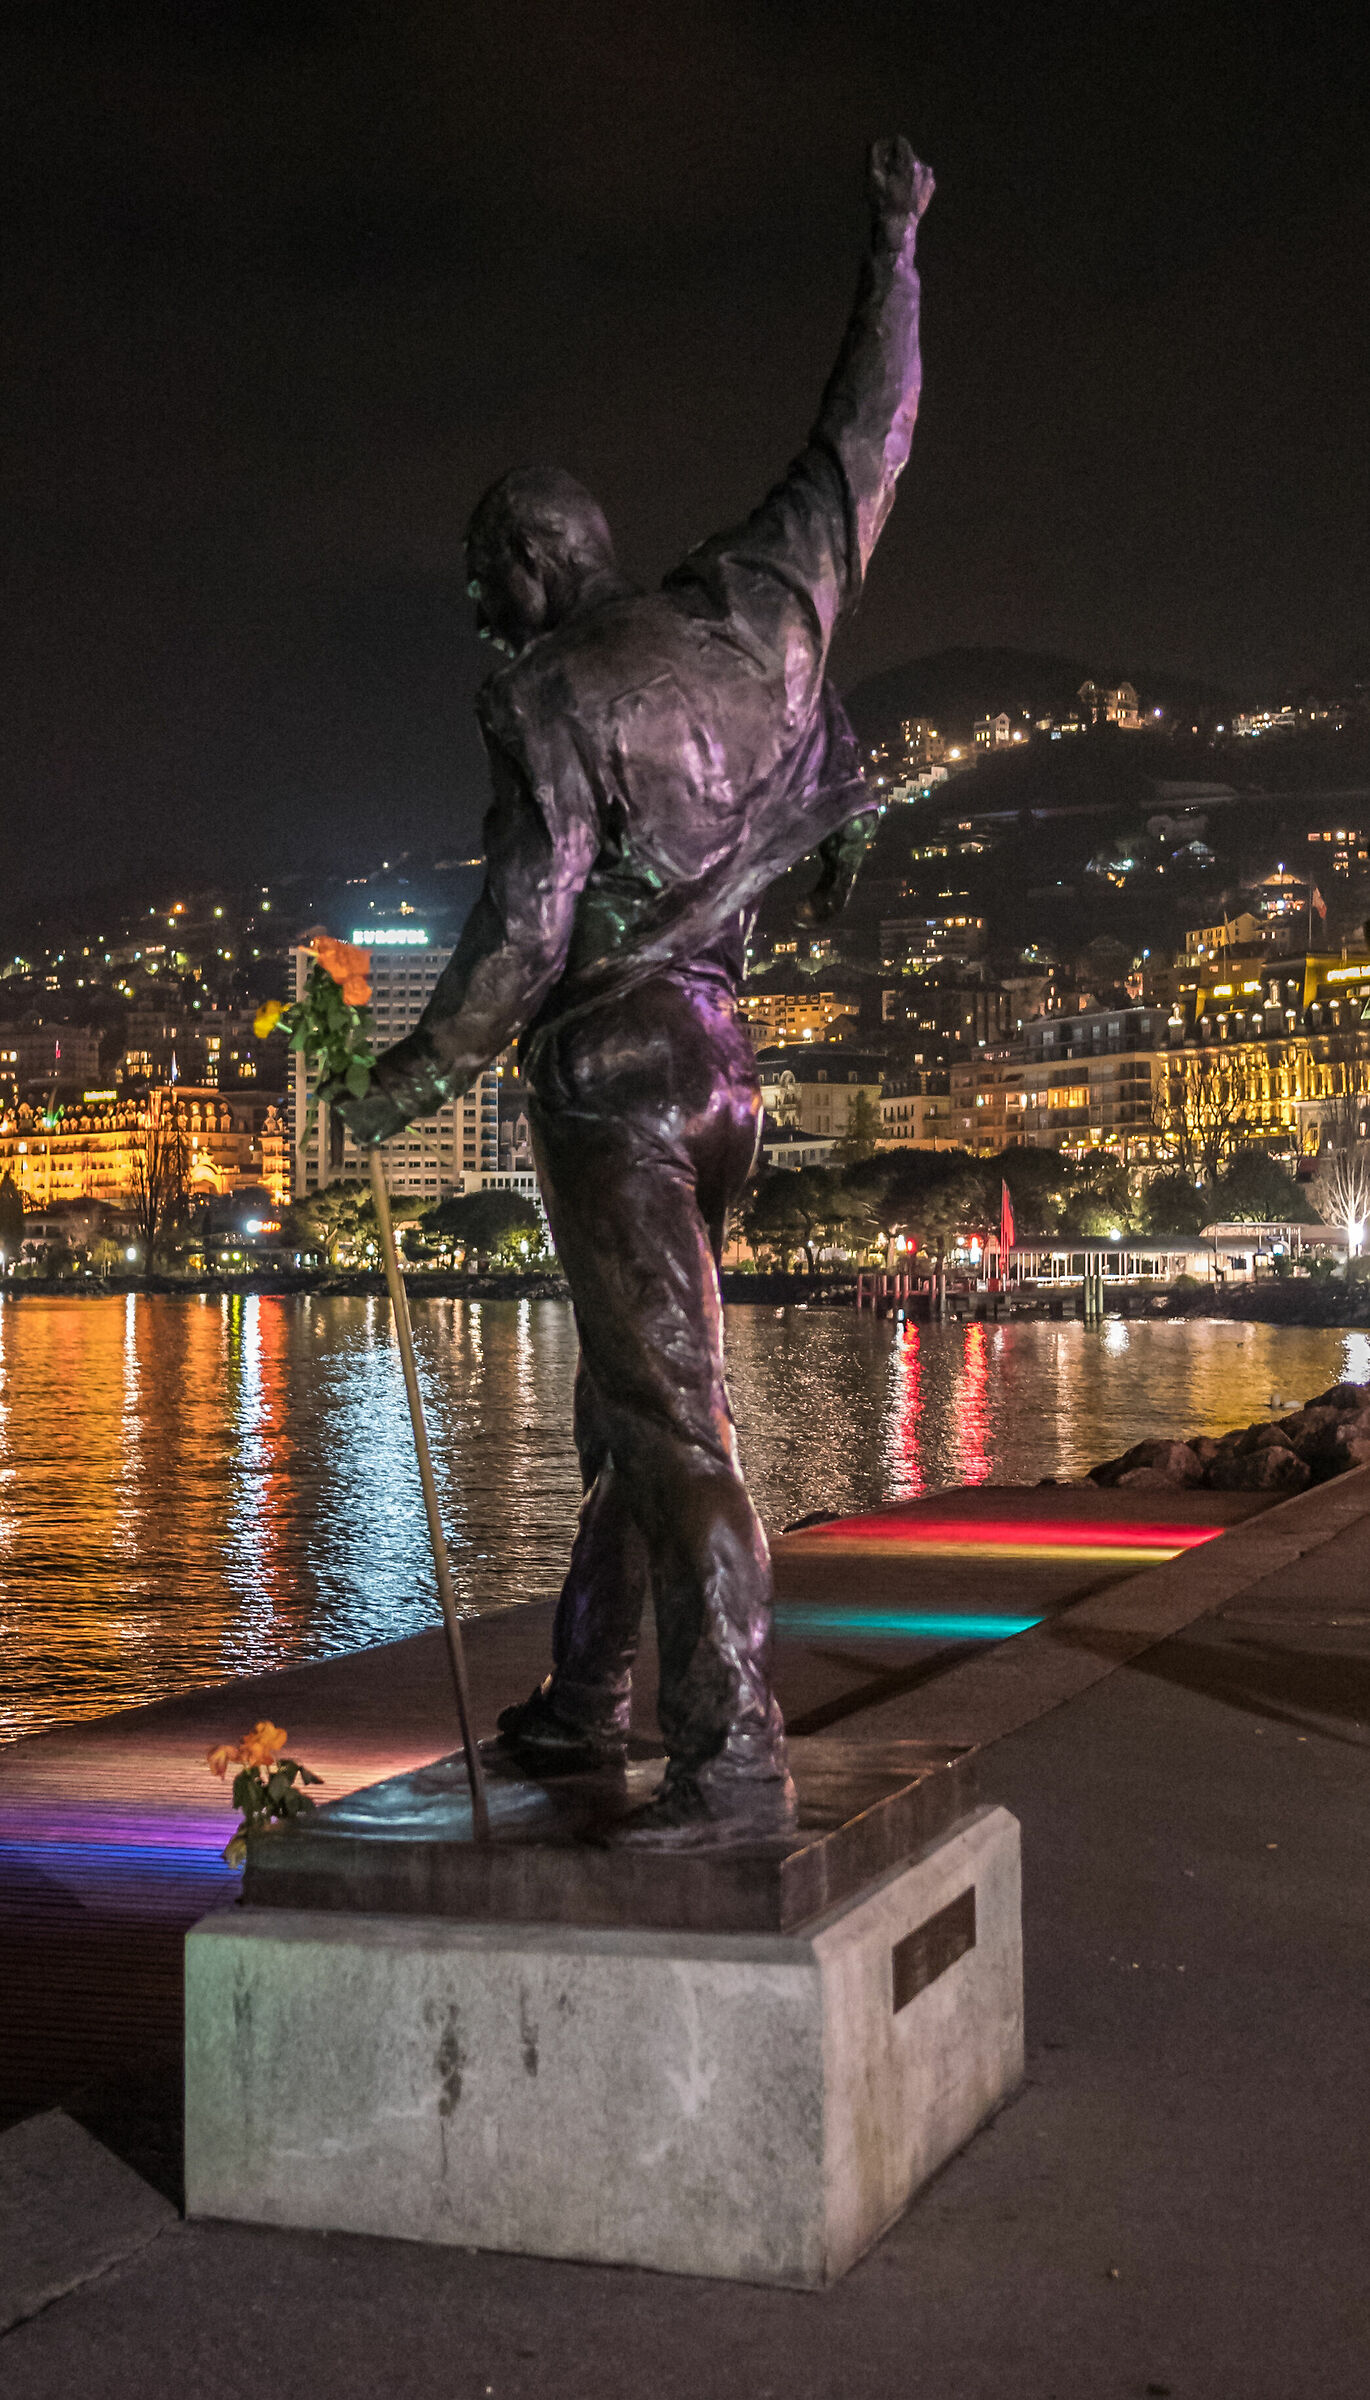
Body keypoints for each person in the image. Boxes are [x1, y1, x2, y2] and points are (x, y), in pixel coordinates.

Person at [333, 138, 934, 1849]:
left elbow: (526, 927)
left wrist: (406, 1075)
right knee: (629, 1393)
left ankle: (730, 1740)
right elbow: (863, 438)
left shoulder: (544, 697)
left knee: (672, 1420)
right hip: (726, 1073)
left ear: (528, 564)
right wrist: (892, 249)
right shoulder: (762, 614)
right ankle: (583, 1698)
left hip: (609, 1071)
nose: (476, 615)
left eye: (479, 584)